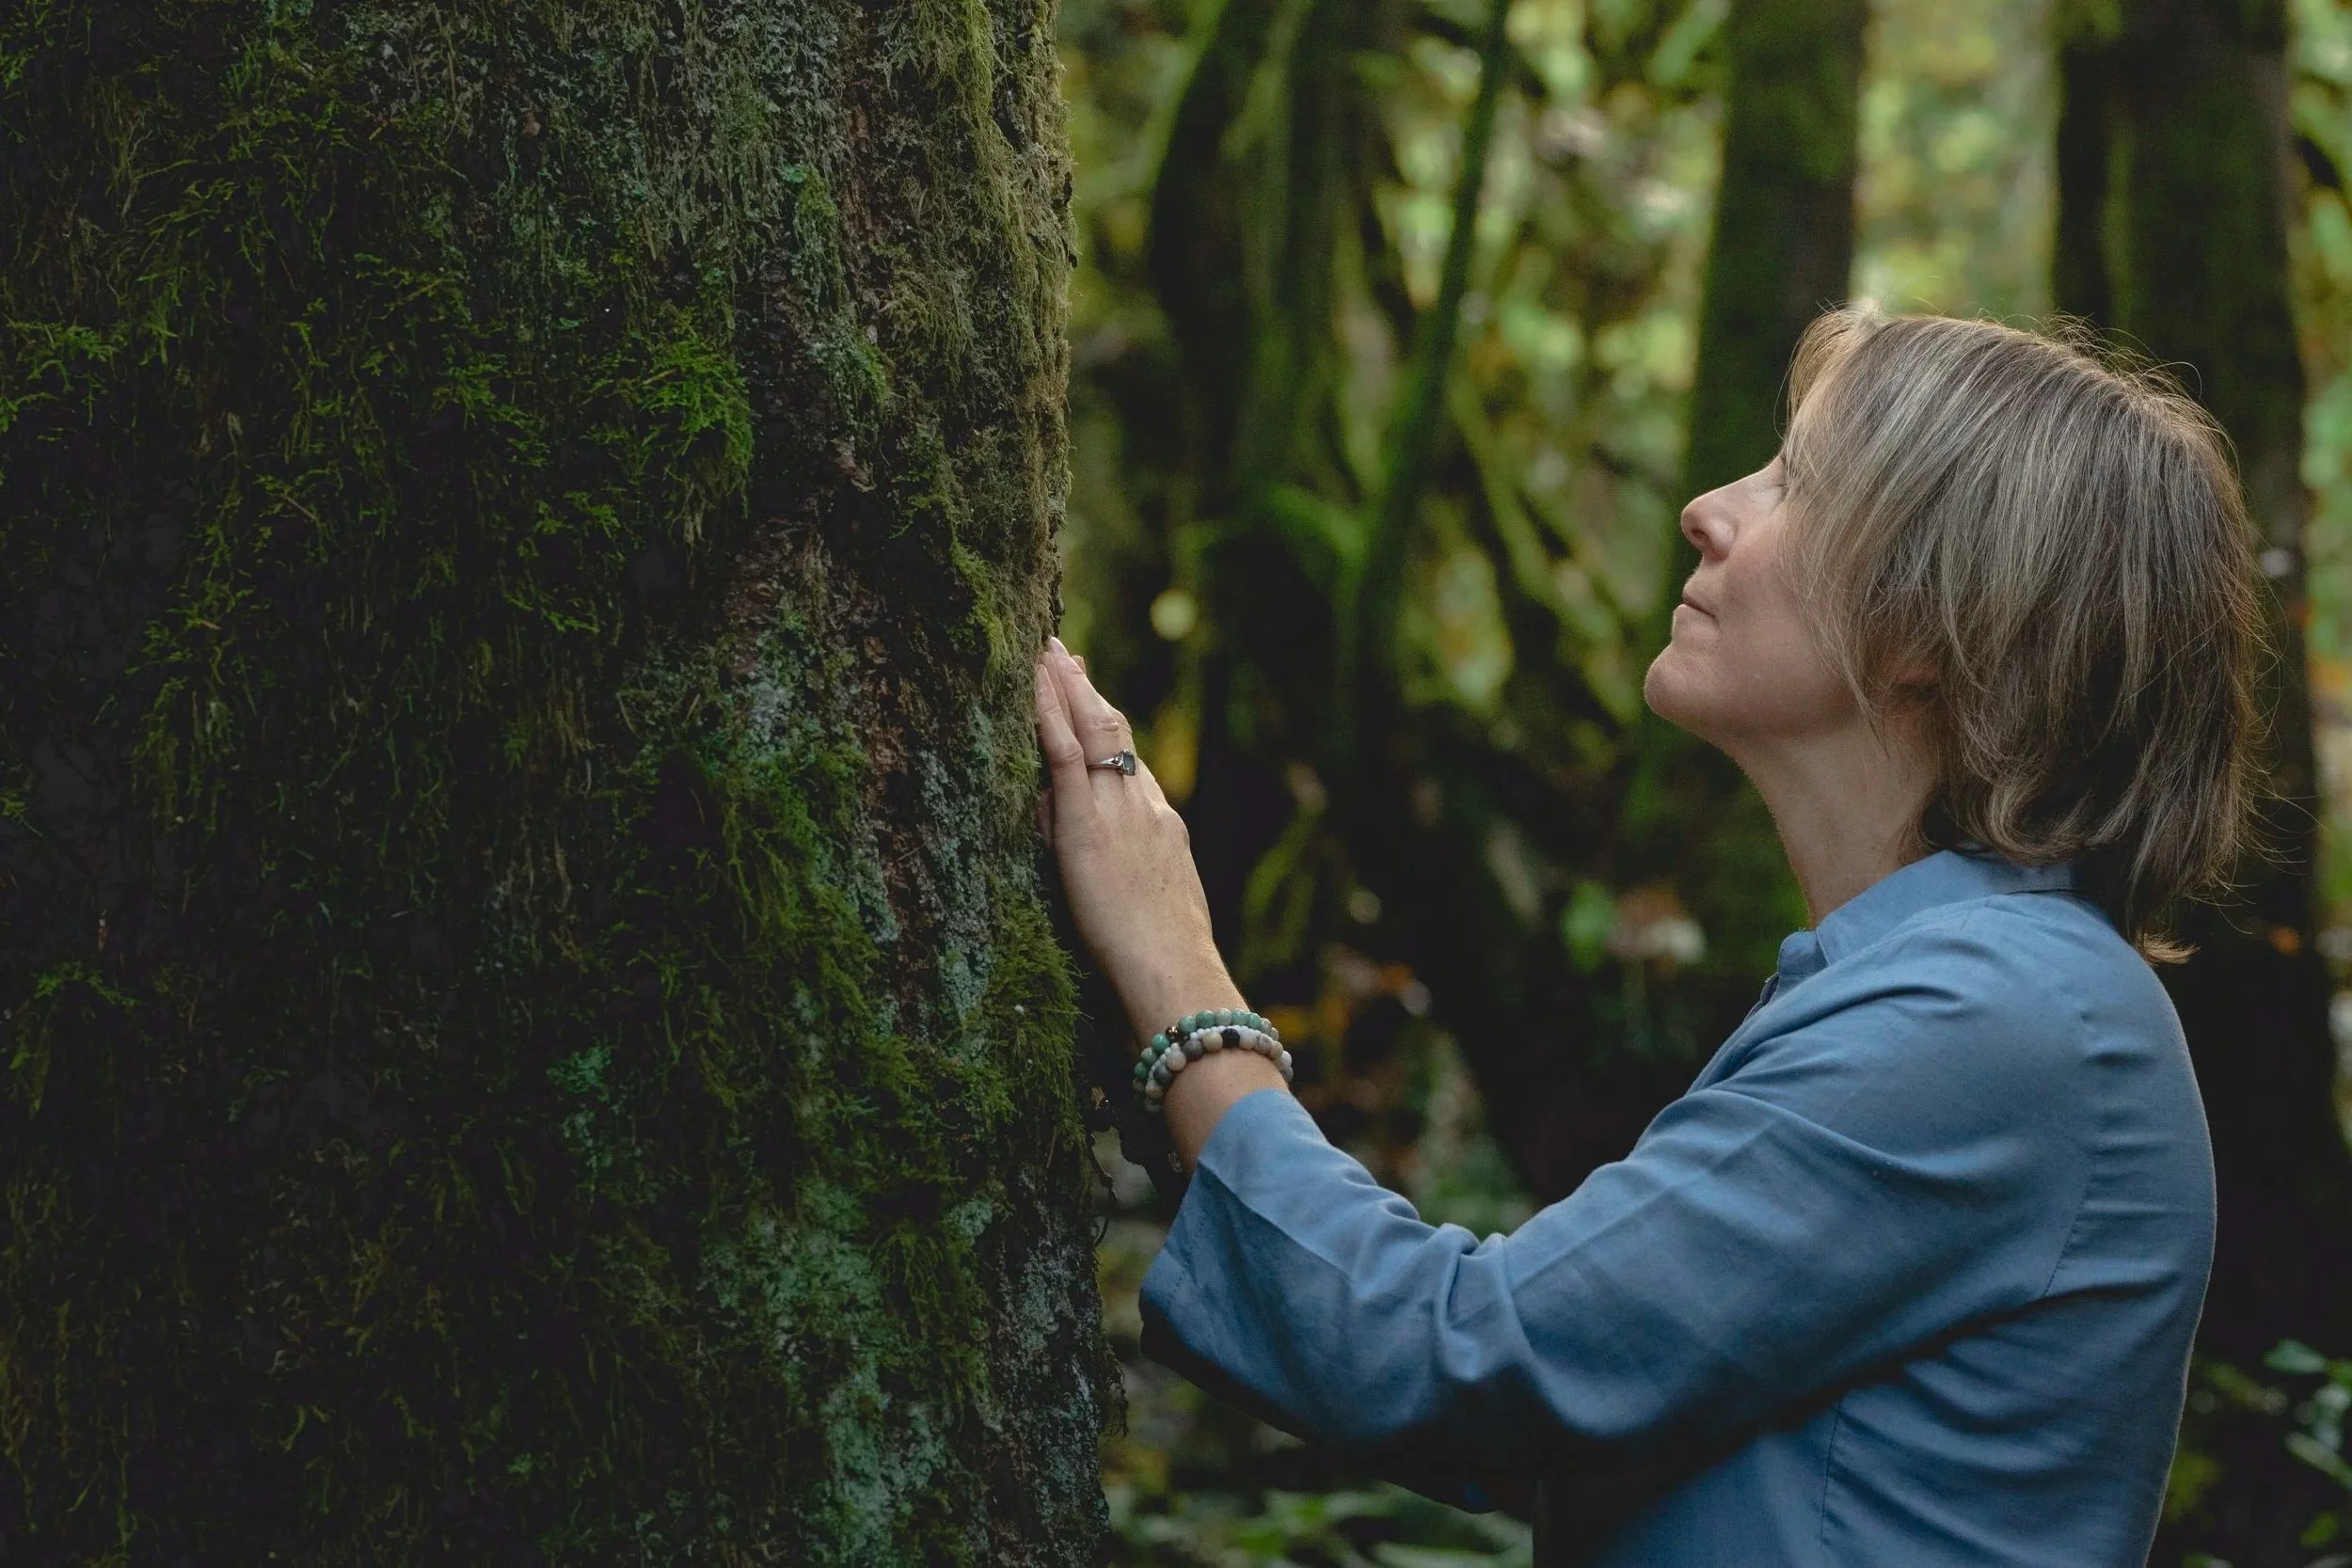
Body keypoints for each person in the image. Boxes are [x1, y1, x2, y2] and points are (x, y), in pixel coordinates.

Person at [1032, 309, 2261, 1565]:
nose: (1708, 507)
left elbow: (1462, 1360)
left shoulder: (2002, 1016)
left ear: (1935, 628)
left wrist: (1177, 976)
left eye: (1802, 485)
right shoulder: (1971, 992)